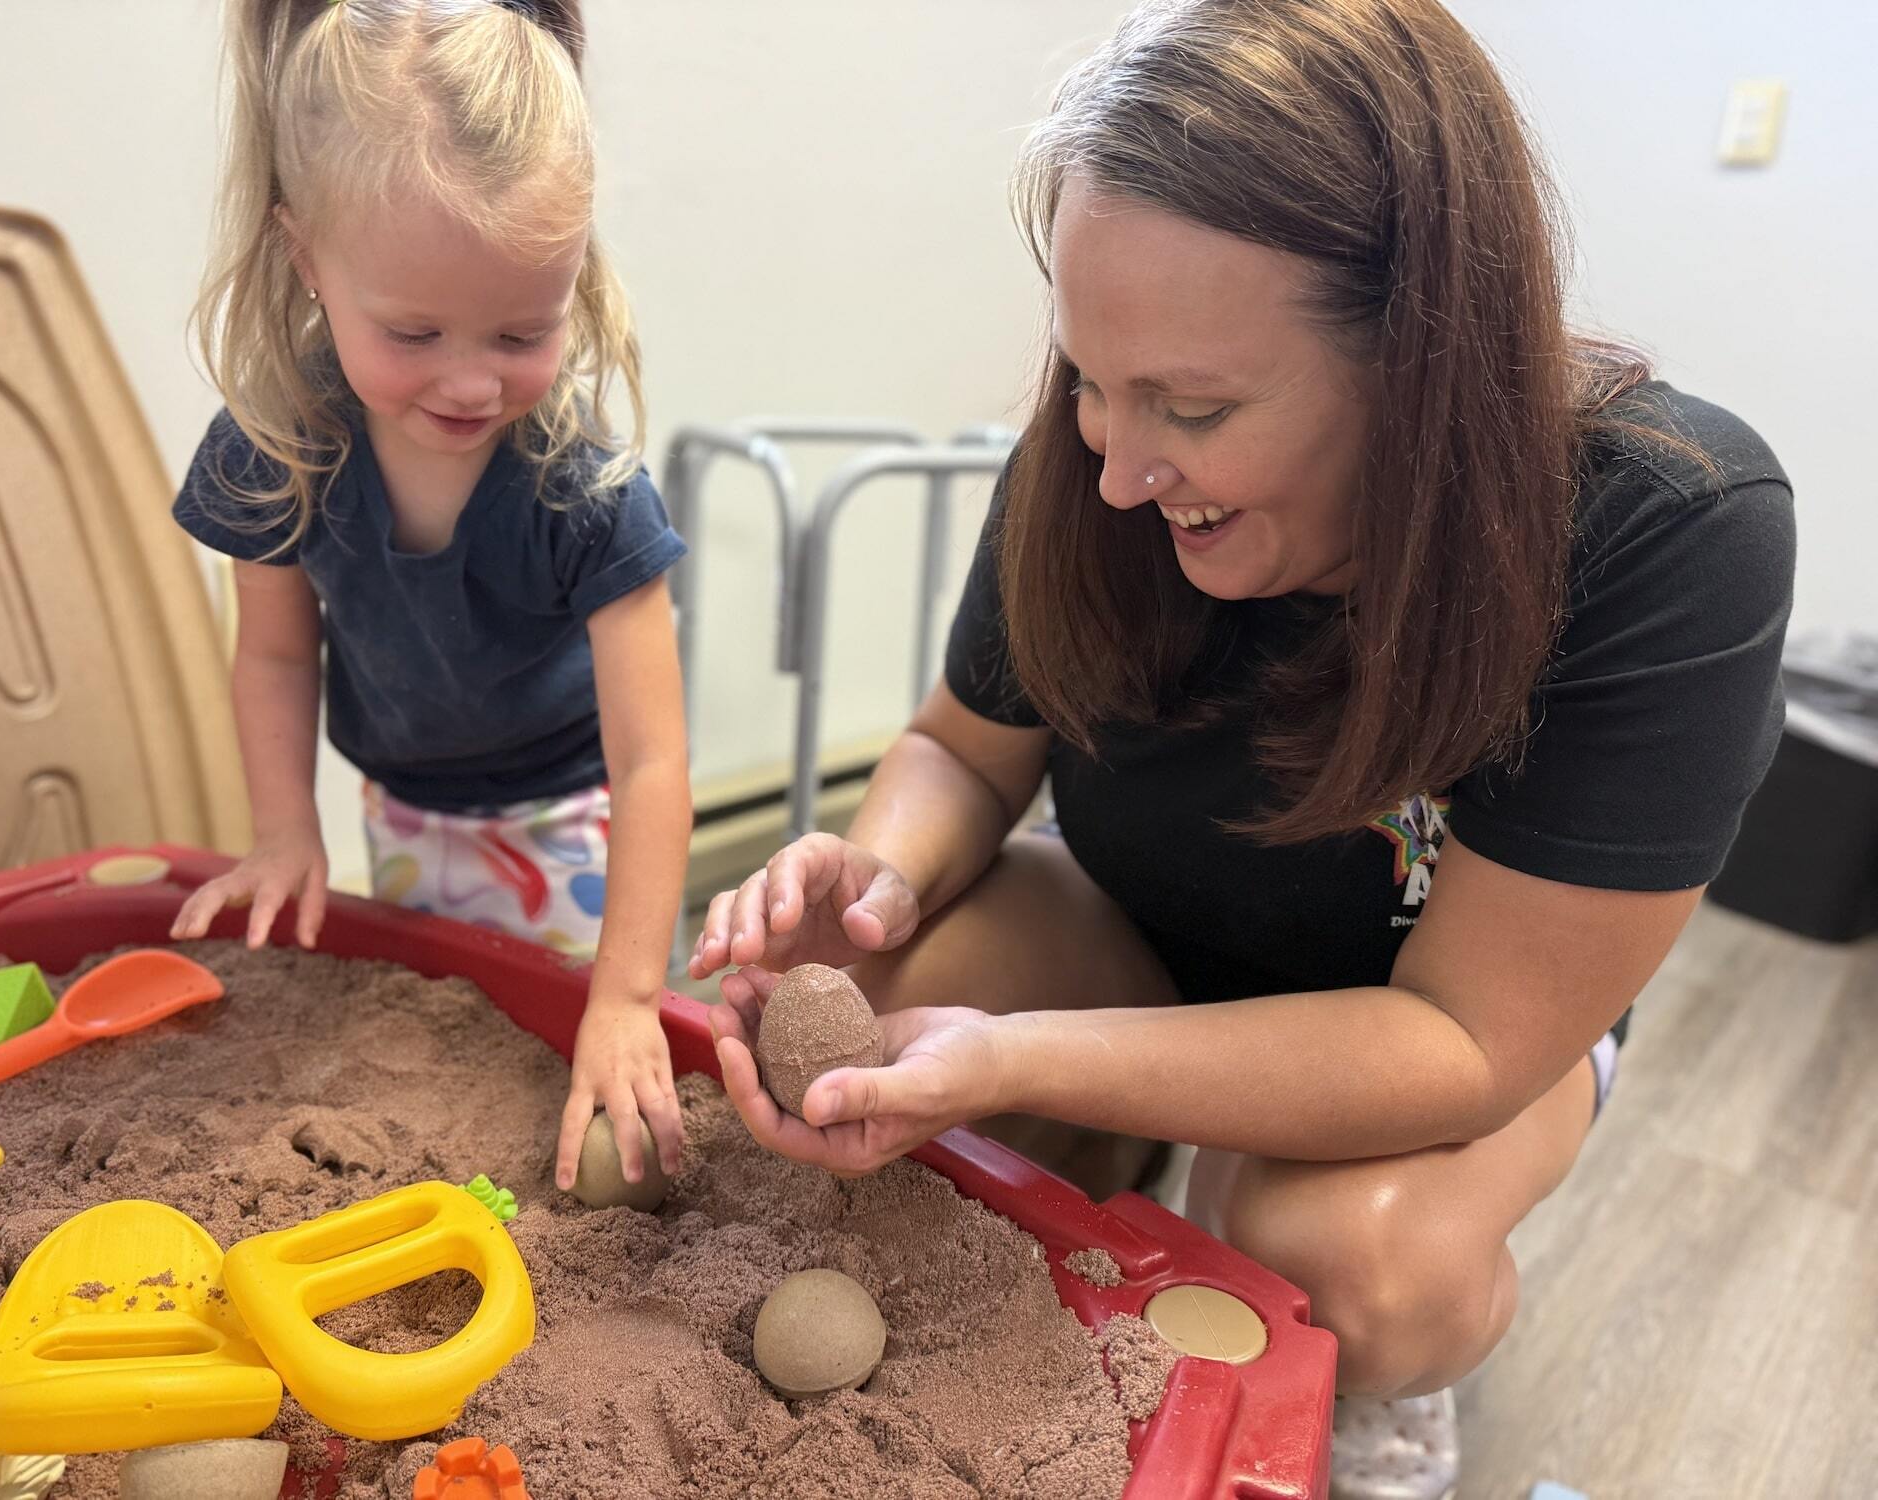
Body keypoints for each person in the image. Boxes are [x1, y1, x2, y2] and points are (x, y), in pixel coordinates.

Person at [688, 1, 1794, 1493]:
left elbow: (1460, 1041)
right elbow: (964, 748)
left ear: (1423, 358)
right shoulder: (1095, 459)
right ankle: (1087, 1231)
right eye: (1090, 378)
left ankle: (1362, 1370)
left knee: (1345, 1252)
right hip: (1145, 923)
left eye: (1193, 409)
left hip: (1441, 1012)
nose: (1121, 466)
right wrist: (875, 878)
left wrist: (1017, 1058)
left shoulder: (1663, 528)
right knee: (867, 1008)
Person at [169, 0, 690, 1197]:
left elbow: (654, 759)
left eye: (522, 329)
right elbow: (276, 660)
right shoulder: (277, 447)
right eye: (413, 331)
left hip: (569, 818)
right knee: (436, 1020)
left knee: (551, 1053)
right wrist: (284, 831)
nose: (468, 379)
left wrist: (628, 996)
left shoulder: (583, 489)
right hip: (401, 807)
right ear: (306, 259)